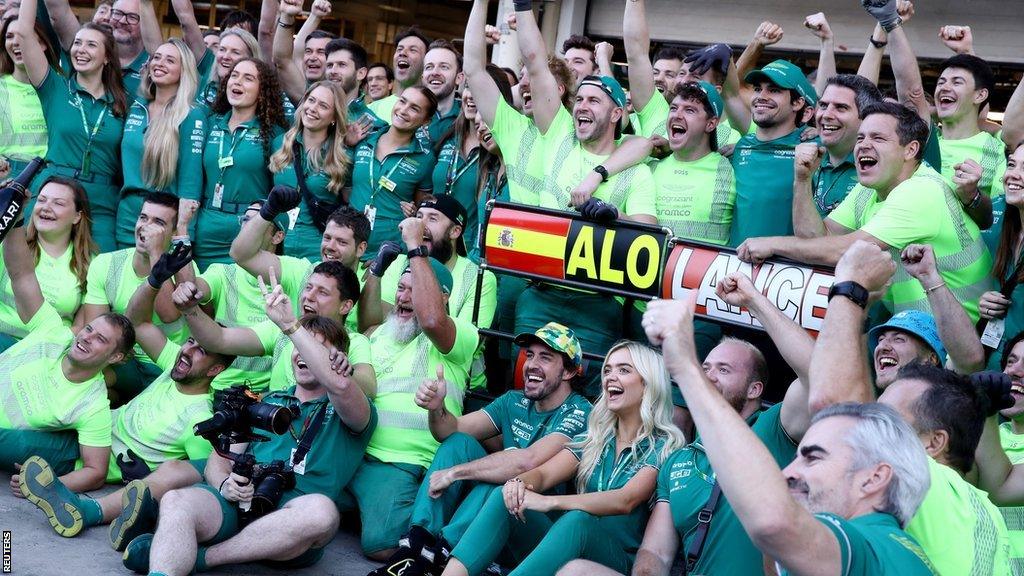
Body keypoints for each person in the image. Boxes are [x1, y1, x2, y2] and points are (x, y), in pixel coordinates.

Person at [631, 292, 935, 576]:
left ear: (873, 478)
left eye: (813, 457)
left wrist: (686, 364)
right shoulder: (873, 552)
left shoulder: (867, 547)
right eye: (706, 366)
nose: (787, 471)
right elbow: (655, 551)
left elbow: (819, 377)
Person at [121, 280, 376, 575]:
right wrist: (223, 484)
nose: (303, 353)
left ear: (336, 358)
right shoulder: (271, 399)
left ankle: (203, 557)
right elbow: (221, 458)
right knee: (177, 500)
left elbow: (339, 384)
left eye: (317, 348)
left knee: (322, 512)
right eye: (299, 346)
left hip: (292, 523)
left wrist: (292, 325)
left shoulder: (352, 405)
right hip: (241, 504)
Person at [807, 239, 1011, 575]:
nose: (871, 429)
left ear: (933, 442)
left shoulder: (918, 478)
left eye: (889, 423)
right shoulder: (982, 510)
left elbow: (832, 407)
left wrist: (850, 288)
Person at [19, 246, 233, 540]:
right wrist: (154, 281)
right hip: (84, 428)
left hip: (86, 457)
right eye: (191, 341)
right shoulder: (174, 363)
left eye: (201, 351)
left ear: (214, 371)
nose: (188, 350)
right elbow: (138, 322)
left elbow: (203, 477)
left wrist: (144, 481)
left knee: (9, 441)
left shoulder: (201, 420)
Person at [439, 341, 685, 576]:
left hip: (615, 560)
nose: (610, 376)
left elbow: (626, 499)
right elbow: (544, 474)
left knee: (577, 520)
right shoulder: (597, 436)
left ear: (647, 383)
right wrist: (519, 483)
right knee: (504, 495)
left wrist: (551, 503)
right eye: (607, 369)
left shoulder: (665, 444)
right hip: (566, 546)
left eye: (624, 370)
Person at [369, 323, 592, 576]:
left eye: (545, 357)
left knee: (499, 483)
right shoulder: (514, 400)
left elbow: (526, 462)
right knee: (459, 444)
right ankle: (417, 545)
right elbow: (450, 431)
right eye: (529, 355)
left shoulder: (580, 412)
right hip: (489, 520)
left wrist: (456, 473)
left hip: (536, 534)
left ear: (570, 371)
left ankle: (441, 555)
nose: (531, 364)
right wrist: (436, 408)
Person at [737, 102, 993, 322]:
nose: (863, 146)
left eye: (878, 138)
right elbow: (817, 238)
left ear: (910, 150)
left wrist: (772, 243)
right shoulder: (872, 184)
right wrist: (802, 179)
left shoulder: (923, 190)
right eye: (860, 138)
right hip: (914, 330)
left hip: (956, 341)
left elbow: (844, 251)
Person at [347, 229, 479, 560]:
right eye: (402, 288)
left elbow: (432, 319)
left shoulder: (459, 334)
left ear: (442, 297)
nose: (405, 297)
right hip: (351, 452)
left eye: (415, 290)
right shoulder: (380, 334)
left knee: (381, 546)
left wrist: (415, 249)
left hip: (399, 465)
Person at [0, 198, 135, 494]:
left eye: (100, 339)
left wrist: (43, 485)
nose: (86, 337)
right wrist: (17, 219)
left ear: (116, 356)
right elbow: (21, 273)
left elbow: (96, 471)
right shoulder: (53, 330)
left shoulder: (93, 404)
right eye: (88, 329)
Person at [871, 0, 1000, 251]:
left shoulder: (997, 149)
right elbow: (912, 94)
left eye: (957, 82)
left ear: (979, 95)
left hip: (962, 280)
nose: (944, 87)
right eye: (941, 82)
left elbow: (997, 220)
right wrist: (889, 22)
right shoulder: (920, 141)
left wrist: (972, 196)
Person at [172, 258, 376, 397]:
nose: (309, 296)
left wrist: (343, 370)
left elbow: (368, 388)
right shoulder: (281, 329)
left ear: (345, 305)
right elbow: (218, 340)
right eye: (308, 287)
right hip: (275, 427)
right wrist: (191, 310)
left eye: (322, 292)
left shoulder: (356, 341)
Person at [17, 0, 128, 251]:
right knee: (36, 265)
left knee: (98, 271)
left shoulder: (122, 101)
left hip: (101, 201)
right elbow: (24, 32)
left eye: (91, 45)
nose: (81, 50)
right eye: (77, 43)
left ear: (107, 57)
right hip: (53, 190)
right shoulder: (54, 87)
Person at [363, 196, 497, 389]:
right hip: (389, 373)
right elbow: (371, 326)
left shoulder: (479, 277)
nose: (420, 225)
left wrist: (416, 249)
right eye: (418, 217)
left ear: (455, 231)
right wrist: (376, 272)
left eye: (432, 219)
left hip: (452, 384)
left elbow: (460, 342)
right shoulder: (400, 262)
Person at [81, 192, 194, 400]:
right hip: (123, 362)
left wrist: (155, 252)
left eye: (158, 222)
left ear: (173, 231)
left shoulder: (184, 267)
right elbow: (95, 325)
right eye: (143, 218)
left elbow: (169, 314)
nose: (146, 227)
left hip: (165, 367)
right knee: (91, 382)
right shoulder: (105, 264)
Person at [193, 58, 287, 269]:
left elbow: (281, 190)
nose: (237, 82)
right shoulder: (210, 123)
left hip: (248, 229)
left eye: (248, 78)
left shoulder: (274, 134)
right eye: (234, 75)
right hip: (206, 227)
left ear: (262, 90)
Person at [115, 38, 206, 249]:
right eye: (156, 57)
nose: (160, 63)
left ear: (184, 71)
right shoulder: (136, 107)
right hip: (128, 213)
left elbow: (191, 178)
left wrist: (183, 229)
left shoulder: (192, 114)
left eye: (170, 60)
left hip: (164, 217)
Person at [187, 200, 286, 391]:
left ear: (277, 236)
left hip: (265, 396)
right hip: (216, 386)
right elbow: (191, 290)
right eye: (245, 220)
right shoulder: (223, 272)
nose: (247, 227)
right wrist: (182, 230)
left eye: (258, 221)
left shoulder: (293, 277)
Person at [231, 201, 371, 335]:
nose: (330, 247)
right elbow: (242, 255)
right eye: (327, 238)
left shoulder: (371, 280)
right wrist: (268, 211)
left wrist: (376, 276)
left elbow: (374, 330)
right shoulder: (302, 270)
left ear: (360, 248)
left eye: (341, 242)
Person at [722, 57, 817, 246]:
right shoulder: (742, 146)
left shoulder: (814, 148)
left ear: (798, 103)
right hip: (736, 264)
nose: (761, 96)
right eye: (758, 89)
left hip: (788, 270)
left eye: (774, 90)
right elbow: (729, 94)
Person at [0, 177, 95, 351]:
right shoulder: (8, 244)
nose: (46, 207)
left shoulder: (92, 264)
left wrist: (46, 348)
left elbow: (82, 327)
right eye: (41, 200)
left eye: (58, 203)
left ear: (77, 216)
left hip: (49, 352)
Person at [348, 85, 437, 259]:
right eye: (402, 101)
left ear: (426, 120)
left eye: (414, 108)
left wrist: (413, 212)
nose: (403, 110)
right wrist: (346, 144)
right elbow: (345, 189)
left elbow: (420, 209)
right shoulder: (364, 138)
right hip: (351, 242)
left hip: (390, 249)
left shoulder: (425, 158)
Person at [269, 80, 351, 260]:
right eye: (311, 100)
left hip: (316, 249)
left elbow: (350, 205)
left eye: (323, 105)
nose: (313, 108)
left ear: (334, 117)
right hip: (277, 245)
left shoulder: (342, 156)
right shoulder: (279, 143)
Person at [792, 74, 882, 222]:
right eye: (823, 105)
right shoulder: (805, 154)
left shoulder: (882, 165)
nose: (826, 115)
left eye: (841, 108)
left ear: (867, 117)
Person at [44, 0, 157, 95]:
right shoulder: (82, 48)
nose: (122, 21)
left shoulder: (154, 61)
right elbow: (58, 11)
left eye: (132, 17)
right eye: (117, 13)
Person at [978, 140, 1024, 369]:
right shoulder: (1007, 232)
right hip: (996, 371)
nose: (1014, 175)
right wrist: (988, 304)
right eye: (1012, 165)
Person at [0, 16, 55, 177]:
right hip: (6, 175)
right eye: (9, 36)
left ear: (43, 44)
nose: (16, 42)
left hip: (49, 178)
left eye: (24, 35)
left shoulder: (60, 87)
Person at [271, 0, 333, 104]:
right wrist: (315, 16)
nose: (313, 58)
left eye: (321, 52)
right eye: (308, 51)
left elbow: (283, 60)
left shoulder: (332, 96)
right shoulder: (303, 89)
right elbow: (290, 56)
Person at [367, 26, 429, 122]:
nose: (402, 53)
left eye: (413, 50)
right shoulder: (370, 110)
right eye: (399, 49)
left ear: (426, 62)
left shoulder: (432, 112)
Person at [420, 39, 463, 144]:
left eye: (444, 67)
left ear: (459, 78)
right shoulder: (406, 112)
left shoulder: (468, 117)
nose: (435, 72)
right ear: (422, 77)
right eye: (429, 67)